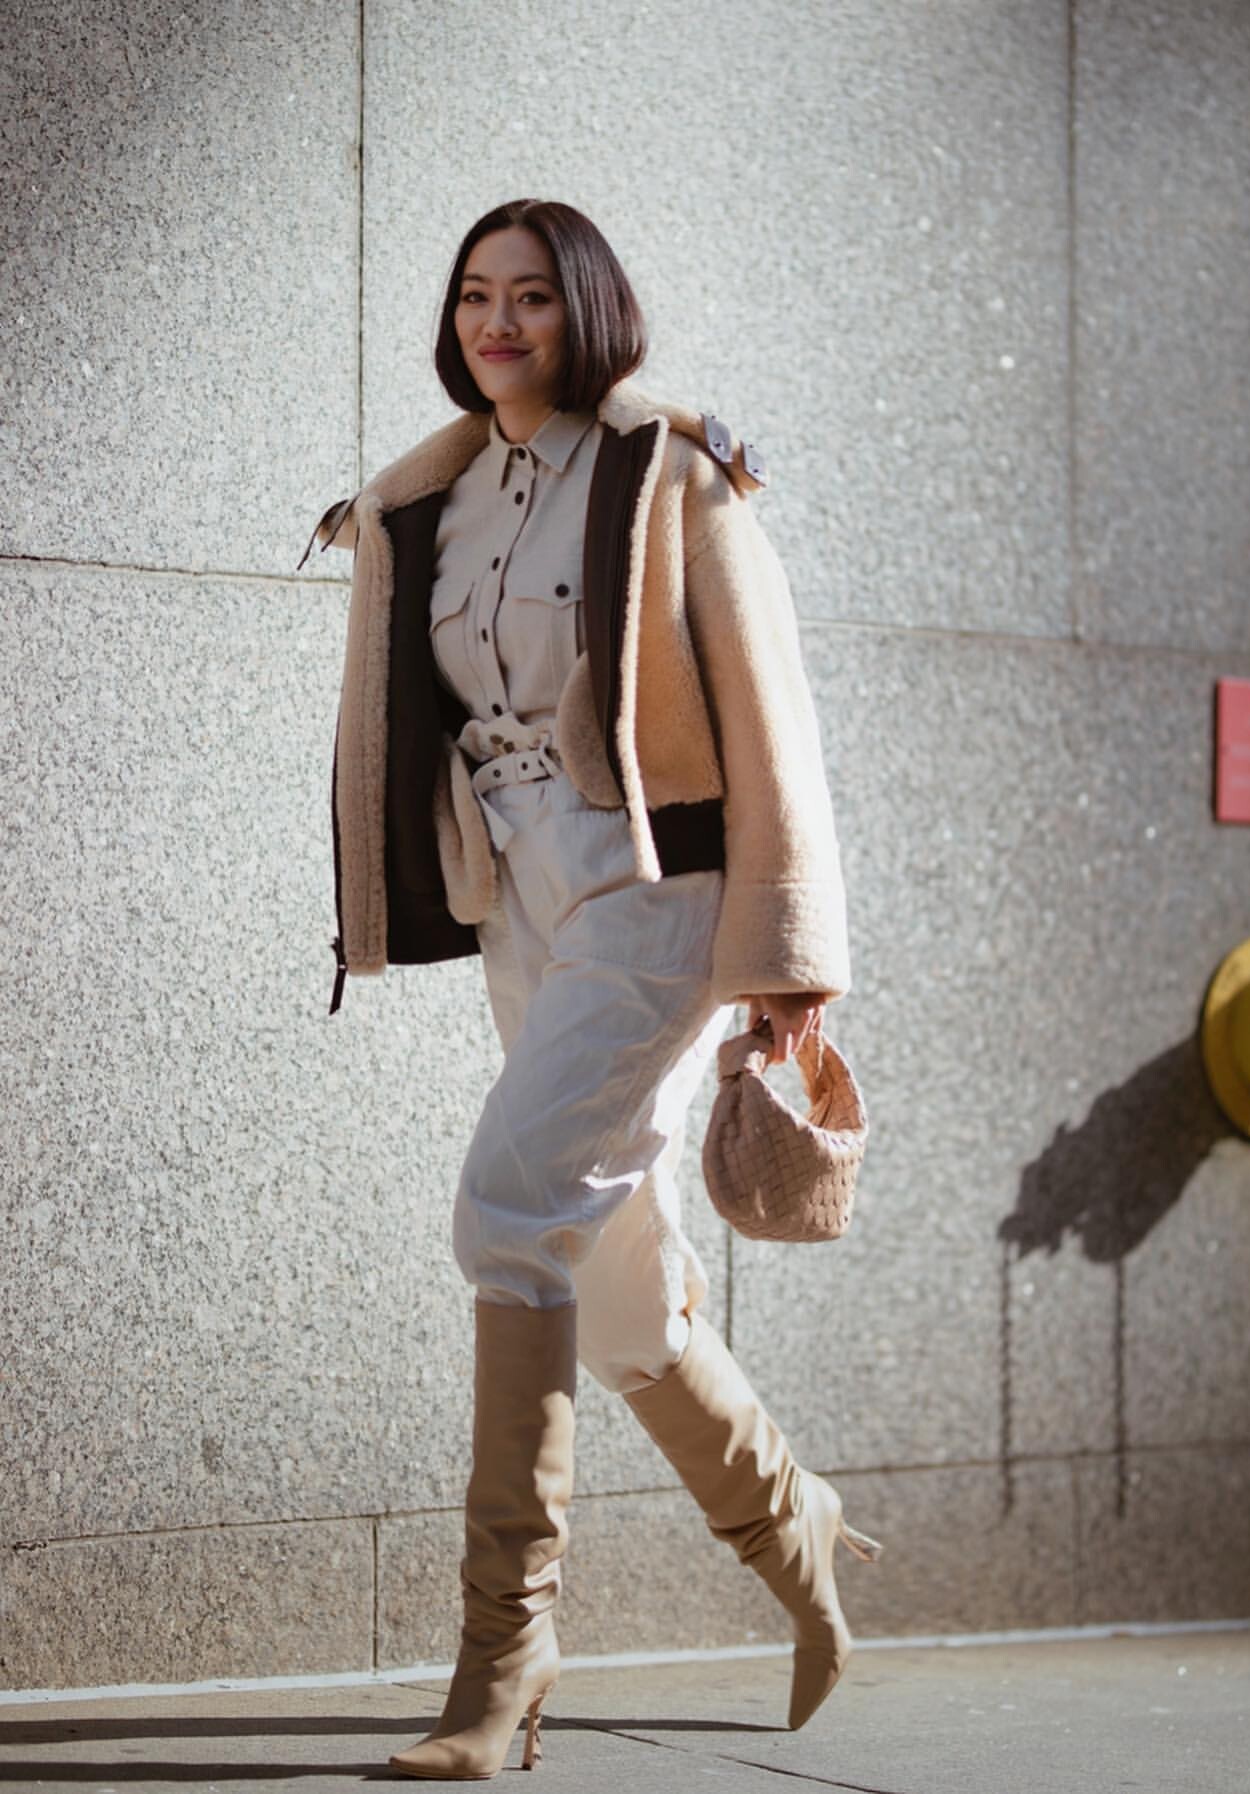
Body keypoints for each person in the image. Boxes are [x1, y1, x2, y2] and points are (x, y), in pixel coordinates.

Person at [303, 197, 878, 1781]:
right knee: (610, 1284)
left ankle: (505, 1650)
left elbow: (770, 713)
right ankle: (791, 1516)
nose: (499, 322)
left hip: (653, 886)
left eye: (533, 297)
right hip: (518, 891)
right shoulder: (430, 498)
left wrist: (788, 963)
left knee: (507, 1204)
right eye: (476, 296)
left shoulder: (669, 470)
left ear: (588, 311)